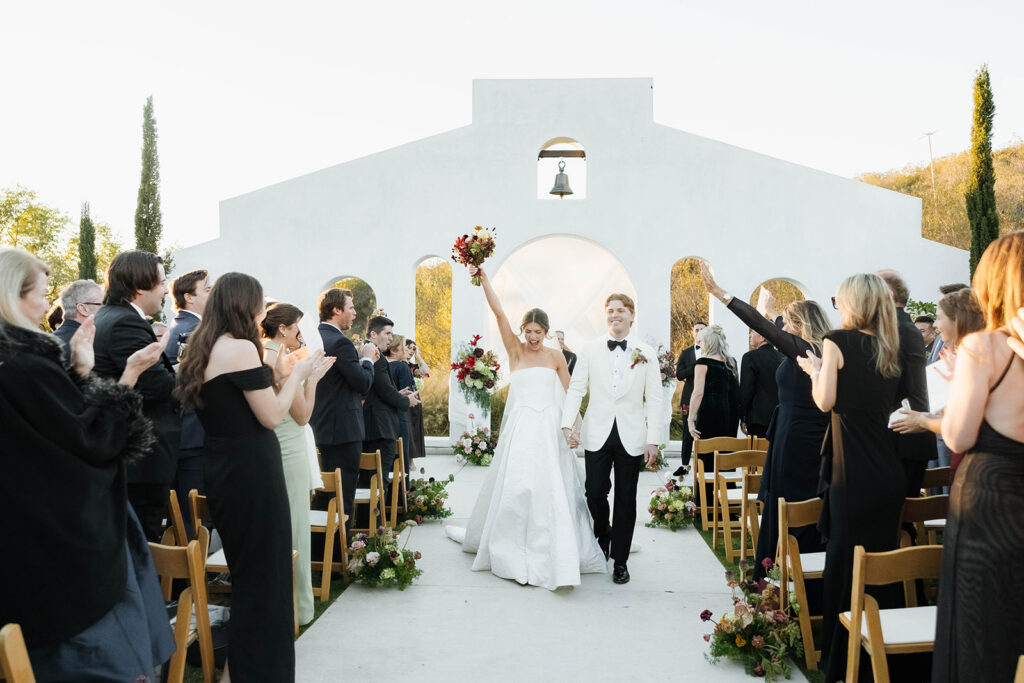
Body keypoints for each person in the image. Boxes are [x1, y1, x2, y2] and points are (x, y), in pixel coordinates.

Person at [0, 247, 174, 680]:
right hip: (66, 541)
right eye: (41, 295)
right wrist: (130, 376)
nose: (48, 307)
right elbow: (89, 442)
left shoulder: (19, 361)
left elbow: (53, 428)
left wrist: (80, 371)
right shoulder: (24, 364)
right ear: (12, 297)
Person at [176, 272, 331, 683]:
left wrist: (285, 376)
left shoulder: (203, 346)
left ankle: (235, 673)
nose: (263, 311)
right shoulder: (241, 347)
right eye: (260, 304)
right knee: (266, 581)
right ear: (245, 305)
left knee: (251, 579)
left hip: (226, 468)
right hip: (253, 473)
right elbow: (273, 415)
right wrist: (297, 376)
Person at [446, 266, 607, 589]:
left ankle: (557, 546)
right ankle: (511, 547)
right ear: (523, 330)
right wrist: (484, 279)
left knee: (553, 486)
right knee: (518, 486)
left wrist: (573, 429)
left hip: (550, 430)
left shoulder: (557, 357)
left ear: (546, 331)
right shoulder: (515, 350)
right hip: (521, 429)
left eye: (538, 332)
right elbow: (499, 313)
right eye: (528, 331)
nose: (533, 337)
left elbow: (572, 395)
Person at [798, 272, 905, 682]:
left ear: (852, 303)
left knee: (844, 564)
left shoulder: (836, 342)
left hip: (853, 474)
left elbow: (826, 402)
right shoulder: (889, 345)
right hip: (887, 473)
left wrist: (814, 371)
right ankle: (885, 657)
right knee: (881, 565)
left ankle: (841, 662)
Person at [698, 262, 831, 579]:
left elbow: (763, 325)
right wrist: (768, 309)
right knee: (783, 503)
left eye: (787, 324)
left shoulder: (806, 350)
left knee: (792, 505)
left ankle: (788, 578)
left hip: (799, 441)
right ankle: (778, 575)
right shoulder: (813, 349)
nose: (780, 329)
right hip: (789, 433)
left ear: (799, 326)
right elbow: (770, 324)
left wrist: (720, 294)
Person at [932, 232, 1024, 683]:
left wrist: (955, 385)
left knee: (977, 638)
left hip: (987, 503)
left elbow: (959, 434)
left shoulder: (983, 346)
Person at [562, 289, 663, 586]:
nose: (615, 315)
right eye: (610, 310)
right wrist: (568, 425)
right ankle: (603, 535)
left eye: (621, 310)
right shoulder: (590, 349)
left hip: (632, 435)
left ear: (632, 316)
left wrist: (653, 438)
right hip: (597, 432)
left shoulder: (647, 352)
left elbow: (655, 398)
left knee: (626, 499)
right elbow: (576, 389)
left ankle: (620, 560)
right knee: (594, 492)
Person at [92, 250, 180, 541]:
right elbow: (157, 387)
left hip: (131, 455)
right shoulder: (124, 323)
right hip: (142, 459)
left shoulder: (109, 316)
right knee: (143, 543)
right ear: (140, 286)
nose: (166, 289)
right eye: (161, 282)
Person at [260, 301, 334, 627]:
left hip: (271, 451)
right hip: (289, 453)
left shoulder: (262, 352)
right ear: (283, 329)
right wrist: (312, 379)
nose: (300, 335)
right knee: (296, 532)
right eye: (297, 328)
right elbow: (302, 416)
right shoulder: (279, 361)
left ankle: (280, 603)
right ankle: (301, 608)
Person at [890, 287, 985, 480]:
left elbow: (967, 423)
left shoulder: (974, 357)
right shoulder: (965, 354)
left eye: (939, 318)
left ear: (957, 320)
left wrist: (922, 420)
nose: (935, 325)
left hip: (975, 463)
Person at [310, 287, 376, 523]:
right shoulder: (340, 343)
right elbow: (362, 384)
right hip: (344, 432)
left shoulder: (314, 338)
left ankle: (320, 553)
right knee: (342, 496)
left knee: (322, 494)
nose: (355, 313)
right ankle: (340, 555)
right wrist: (367, 359)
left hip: (317, 427)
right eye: (351, 307)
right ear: (336, 310)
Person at [877, 269, 937, 501]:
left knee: (897, 520)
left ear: (888, 294)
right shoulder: (900, 326)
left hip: (904, 435)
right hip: (907, 435)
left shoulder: (896, 328)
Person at [165, 269, 212, 539]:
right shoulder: (193, 331)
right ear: (188, 297)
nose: (212, 294)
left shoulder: (181, 326)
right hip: (193, 433)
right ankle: (194, 574)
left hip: (186, 434)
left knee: (187, 515)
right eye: (206, 289)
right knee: (194, 518)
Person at [362, 315, 419, 492]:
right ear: (373, 334)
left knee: (371, 479)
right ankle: (378, 519)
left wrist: (398, 393)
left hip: (373, 423)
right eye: (387, 333)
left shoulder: (368, 352)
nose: (390, 338)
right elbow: (385, 391)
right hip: (380, 426)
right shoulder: (375, 355)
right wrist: (405, 400)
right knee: (379, 480)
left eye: (391, 334)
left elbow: (378, 390)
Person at [686, 324, 740, 446]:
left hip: (709, 414)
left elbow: (697, 393)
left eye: (701, 342)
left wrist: (690, 420)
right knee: (727, 454)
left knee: (707, 455)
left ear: (708, 343)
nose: (700, 346)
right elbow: (736, 391)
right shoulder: (731, 363)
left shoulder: (702, 363)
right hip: (730, 414)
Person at [739, 328, 784, 438]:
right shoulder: (783, 358)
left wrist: (743, 417)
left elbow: (746, 389)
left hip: (757, 419)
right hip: (780, 418)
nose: (750, 335)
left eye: (753, 332)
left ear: (762, 337)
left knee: (756, 454)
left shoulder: (750, 357)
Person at [675, 321, 707, 469]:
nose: (699, 332)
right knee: (687, 434)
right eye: (696, 330)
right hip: (688, 397)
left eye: (702, 329)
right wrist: (695, 367)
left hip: (707, 398)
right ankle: (684, 465)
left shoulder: (713, 352)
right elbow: (679, 374)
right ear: (692, 333)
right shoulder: (685, 353)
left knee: (705, 432)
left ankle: (704, 467)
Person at [51, 279, 103, 364]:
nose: (106, 309)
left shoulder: (47, 343)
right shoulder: (90, 346)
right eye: (102, 304)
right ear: (83, 309)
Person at [387, 335, 417, 473]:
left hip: (384, 418)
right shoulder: (402, 366)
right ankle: (401, 492)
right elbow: (409, 391)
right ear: (394, 349)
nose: (406, 349)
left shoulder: (381, 365)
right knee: (401, 456)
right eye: (404, 345)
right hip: (399, 416)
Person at [404, 338, 428, 464]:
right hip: (404, 399)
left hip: (415, 401)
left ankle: (412, 459)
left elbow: (426, 372)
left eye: (414, 348)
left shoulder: (413, 367)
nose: (411, 351)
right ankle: (408, 460)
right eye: (409, 348)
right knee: (407, 429)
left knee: (414, 430)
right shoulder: (398, 364)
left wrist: (418, 355)